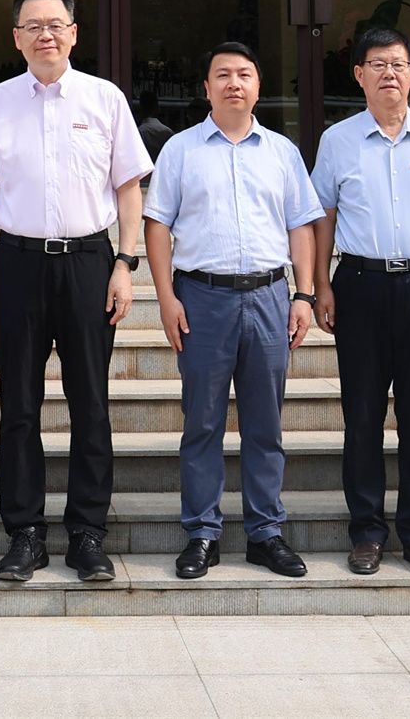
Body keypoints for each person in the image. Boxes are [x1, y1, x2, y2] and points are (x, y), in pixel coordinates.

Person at [0, 0, 153, 584]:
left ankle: (87, 534)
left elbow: (129, 187)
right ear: (16, 38)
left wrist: (125, 264)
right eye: (33, 26)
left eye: (55, 24)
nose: (44, 35)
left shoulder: (104, 98)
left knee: (90, 403)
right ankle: (25, 533)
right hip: (17, 263)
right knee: (18, 406)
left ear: (73, 33)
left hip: (88, 263)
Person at [144, 42, 322, 580]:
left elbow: (301, 225)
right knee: (202, 421)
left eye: (244, 74)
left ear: (258, 87)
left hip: (269, 297)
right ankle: (202, 532)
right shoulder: (180, 150)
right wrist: (166, 298)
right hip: (202, 298)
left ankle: (266, 532)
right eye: (222, 74)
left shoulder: (282, 152)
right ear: (206, 88)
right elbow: (157, 224)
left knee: (265, 424)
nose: (233, 83)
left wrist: (304, 294)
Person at [312, 26, 410, 578]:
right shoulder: (337, 141)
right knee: (362, 415)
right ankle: (366, 533)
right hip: (360, 284)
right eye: (377, 64)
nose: (388, 73)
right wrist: (320, 285)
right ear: (359, 75)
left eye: (398, 64)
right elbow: (323, 217)